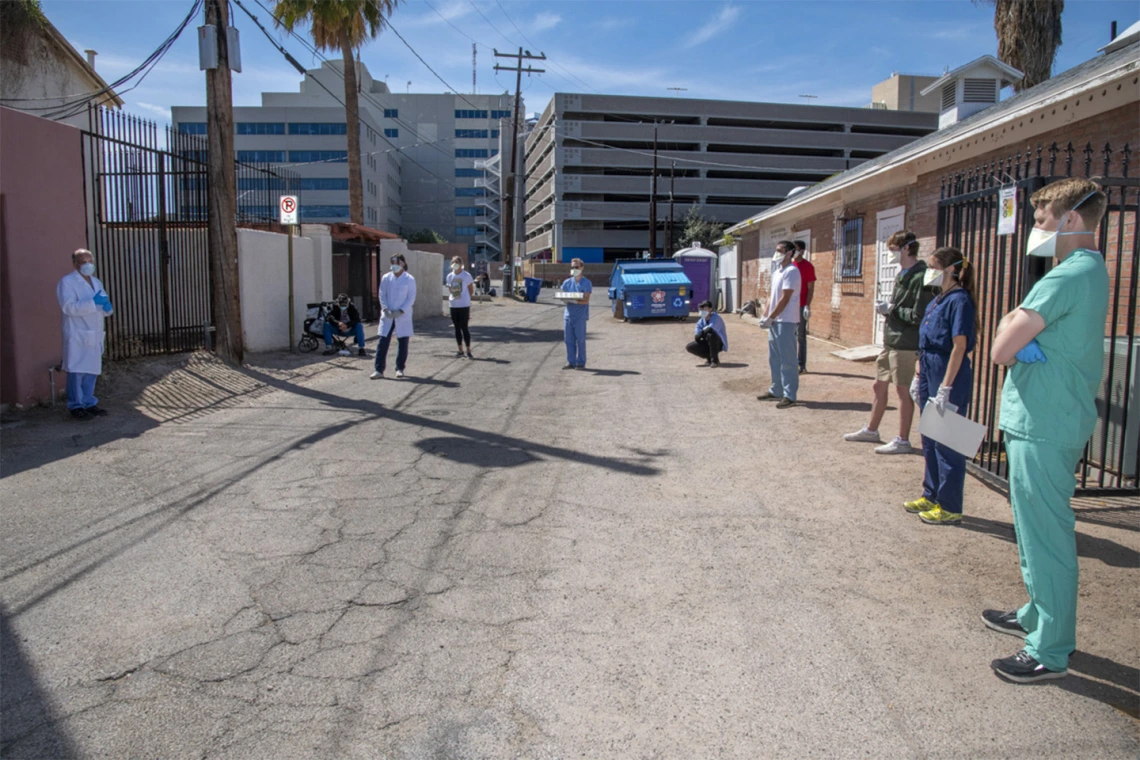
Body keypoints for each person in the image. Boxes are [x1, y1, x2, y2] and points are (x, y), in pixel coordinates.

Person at [983, 179, 1109, 684]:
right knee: (1034, 534)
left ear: (1071, 219)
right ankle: (1038, 614)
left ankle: (1050, 649)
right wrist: (1013, 329)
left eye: (1040, 220)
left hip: (1044, 421)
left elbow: (1000, 346)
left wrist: (1010, 327)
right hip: (1046, 417)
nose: (1035, 229)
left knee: (1047, 538)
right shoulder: (1086, 271)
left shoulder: (1067, 276)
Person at [844, 231, 934, 454]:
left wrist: (891, 309)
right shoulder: (902, 274)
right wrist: (888, 310)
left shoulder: (921, 276)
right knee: (878, 385)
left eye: (893, 248)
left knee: (903, 391)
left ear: (906, 249)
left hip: (906, 343)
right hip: (892, 340)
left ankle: (902, 440)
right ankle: (872, 430)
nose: (890, 253)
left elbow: (918, 315)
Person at [904, 246, 976, 526]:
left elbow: (960, 346)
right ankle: (931, 494)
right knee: (930, 438)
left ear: (951, 270)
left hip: (949, 371)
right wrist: (919, 375)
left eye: (934, 267)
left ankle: (950, 505)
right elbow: (925, 341)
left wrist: (946, 386)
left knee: (949, 441)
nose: (929, 272)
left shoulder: (960, 300)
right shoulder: (938, 299)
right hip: (930, 367)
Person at [57, 248, 113, 421]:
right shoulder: (67, 282)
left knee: (91, 370)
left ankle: (89, 402)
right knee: (76, 370)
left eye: (90, 261)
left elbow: (101, 306)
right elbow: (69, 308)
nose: (88, 265)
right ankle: (76, 405)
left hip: (93, 333)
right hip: (78, 334)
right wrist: (92, 302)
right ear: (75, 264)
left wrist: (106, 307)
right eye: (84, 262)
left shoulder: (96, 282)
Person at [757, 240, 801, 408]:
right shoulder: (777, 272)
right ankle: (776, 390)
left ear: (790, 253)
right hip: (775, 321)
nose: (777, 253)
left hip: (787, 320)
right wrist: (766, 315)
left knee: (788, 359)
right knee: (774, 358)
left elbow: (786, 297)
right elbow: (771, 296)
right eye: (776, 250)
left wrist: (772, 316)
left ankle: (790, 395)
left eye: (780, 250)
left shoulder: (792, 271)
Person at [371, 254, 416, 380]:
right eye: (392, 262)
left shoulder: (409, 279)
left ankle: (400, 368)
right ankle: (378, 369)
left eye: (396, 262)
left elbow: (411, 298)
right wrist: (385, 308)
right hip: (388, 315)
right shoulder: (386, 278)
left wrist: (401, 311)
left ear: (402, 263)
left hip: (402, 316)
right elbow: (382, 294)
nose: (394, 265)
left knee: (403, 342)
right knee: (383, 341)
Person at [560, 257, 592, 370]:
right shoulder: (567, 283)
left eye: (576, 267)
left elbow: (586, 300)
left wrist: (574, 300)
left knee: (580, 339)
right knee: (568, 340)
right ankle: (571, 361)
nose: (574, 269)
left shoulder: (586, 283)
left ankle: (581, 362)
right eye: (572, 267)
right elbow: (563, 295)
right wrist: (565, 299)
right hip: (568, 315)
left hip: (580, 317)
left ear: (582, 268)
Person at [793, 240, 816, 373]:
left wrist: (807, 305)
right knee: (790, 335)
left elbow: (811, 288)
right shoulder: (790, 265)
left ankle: (802, 365)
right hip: (790, 305)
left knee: (801, 336)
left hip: (801, 305)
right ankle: (792, 362)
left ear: (801, 250)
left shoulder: (808, 267)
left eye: (795, 249)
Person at [446, 256, 475, 358]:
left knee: (464, 327)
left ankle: (468, 349)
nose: (455, 264)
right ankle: (460, 350)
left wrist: (466, 299)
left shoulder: (466, 275)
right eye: (453, 262)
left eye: (457, 262)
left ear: (461, 264)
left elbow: (471, 289)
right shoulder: (449, 276)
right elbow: (450, 289)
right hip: (454, 305)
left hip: (464, 305)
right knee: (456, 328)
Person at [686, 300, 728, 367]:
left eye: (705, 309)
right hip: (707, 341)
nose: (703, 311)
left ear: (710, 309)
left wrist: (701, 334)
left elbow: (710, 329)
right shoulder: (700, 321)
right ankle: (709, 358)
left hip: (718, 342)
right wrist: (699, 335)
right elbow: (697, 336)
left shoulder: (716, 318)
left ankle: (715, 360)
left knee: (711, 335)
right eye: (701, 309)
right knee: (690, 347)